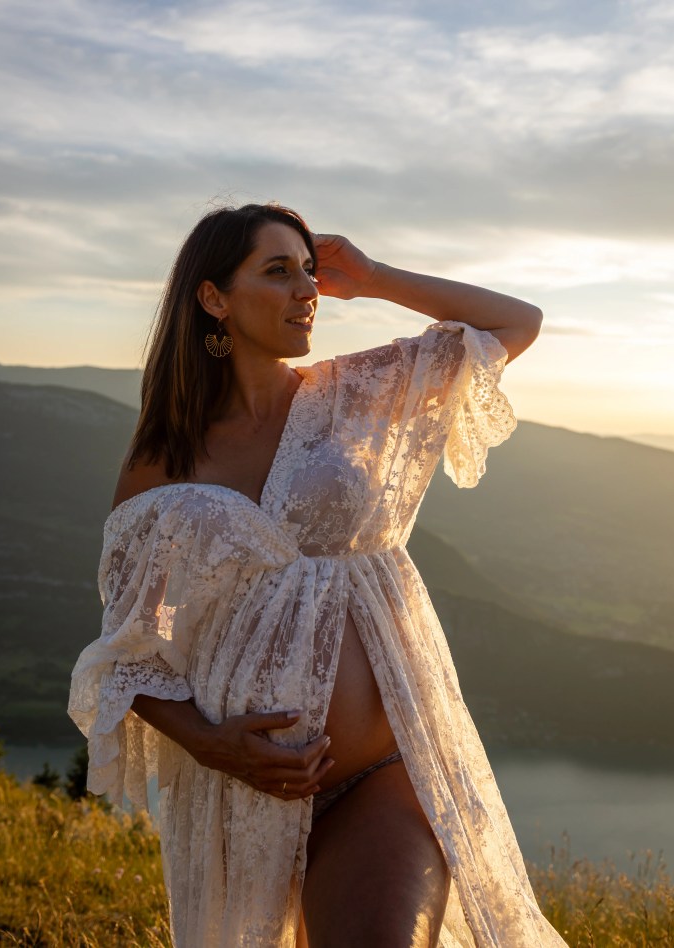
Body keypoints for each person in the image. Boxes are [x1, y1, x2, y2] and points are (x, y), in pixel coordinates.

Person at [68, 202, 568, 948]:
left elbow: (515, 322)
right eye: (278, 271)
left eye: (308, 269)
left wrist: (370, 277)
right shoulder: (163, 461)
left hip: (383, 772)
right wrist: (212, 745)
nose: (306, 288)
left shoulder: (356, 396)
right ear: (214, 298)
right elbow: (126, 656)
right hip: (236, 795)